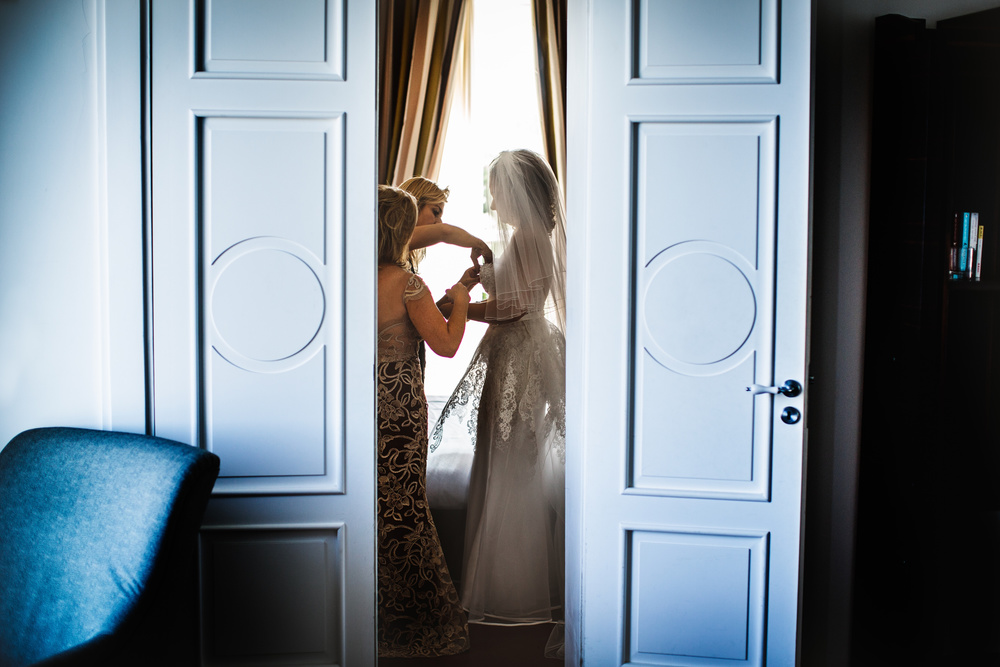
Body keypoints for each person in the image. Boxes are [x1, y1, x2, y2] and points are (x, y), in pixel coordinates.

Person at [431, 150, 567, 656]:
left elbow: (517, 306)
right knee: (504, 458)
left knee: (513, 462)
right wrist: (478, 278)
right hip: (513, 355)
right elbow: (511, 292)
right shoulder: (525, 238)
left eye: (497, 190)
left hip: (522, 360)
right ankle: (506, 580)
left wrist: (462, 307)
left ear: (518, 193)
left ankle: (516, 589)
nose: (492, 199)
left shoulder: (530, 237)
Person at [376, 185, 473, 657]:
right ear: (400, 229)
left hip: (358, 409)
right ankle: (421, 623)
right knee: (407, 508)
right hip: (398, 412)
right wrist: (461, 300)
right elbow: (447, 344)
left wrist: (458, 294)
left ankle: (366, 615)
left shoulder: (343, 278)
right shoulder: (408, 283)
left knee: (370, 506)